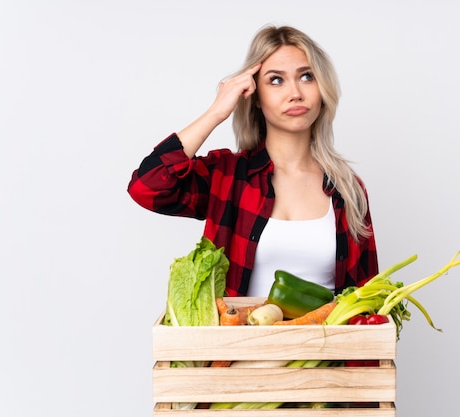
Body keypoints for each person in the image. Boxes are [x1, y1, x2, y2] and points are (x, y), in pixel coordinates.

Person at [128, 25, 378, 297]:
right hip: (241, 338)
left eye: (306, 76)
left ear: (322, 88)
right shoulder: (228, 176)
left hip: (328, 340)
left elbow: (368, 297)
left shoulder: (347, 188)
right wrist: (216, 111)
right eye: (276, 80)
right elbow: (147, 186)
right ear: (256, 97)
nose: (295, 92)